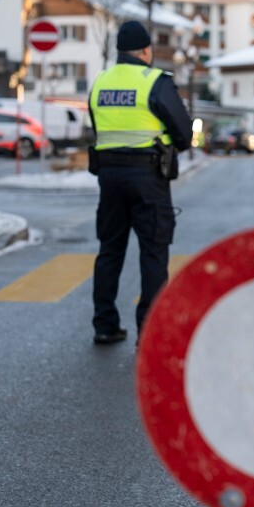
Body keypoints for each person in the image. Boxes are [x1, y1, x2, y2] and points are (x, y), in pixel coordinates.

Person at [87, 20, 192, 345]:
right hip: (148, 176)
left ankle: (105, 324)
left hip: (109, 177)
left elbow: (96, 125)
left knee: (110, 250)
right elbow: (184, 133)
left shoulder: (101, 81)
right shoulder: (154, 81)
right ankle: (148, 330)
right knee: (153, 251)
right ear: (146, 50)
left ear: (120, 51)